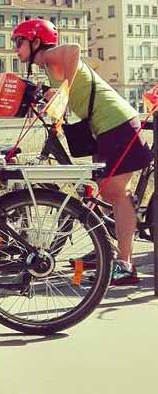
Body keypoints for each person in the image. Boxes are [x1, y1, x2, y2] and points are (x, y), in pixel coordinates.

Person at [13, 18, 149, 285]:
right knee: (104, 189)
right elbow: (68, 89)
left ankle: (125, 265)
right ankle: (109, 249)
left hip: (117, 123)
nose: (17, 49)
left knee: (115, 192)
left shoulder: (51, 56)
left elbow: (73, 49)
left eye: (20, 42)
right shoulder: (50, 69)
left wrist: (65, 89)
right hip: (104, 128)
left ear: (36, 42)